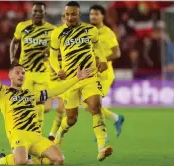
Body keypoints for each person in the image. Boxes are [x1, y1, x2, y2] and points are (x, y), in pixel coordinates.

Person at [0, 40, 92, 165]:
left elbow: (55, 90)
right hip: (19, 136)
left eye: (23, 73)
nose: (21, 75)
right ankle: (1, 160)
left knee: (59, 159)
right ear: (10, 75)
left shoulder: (32, 94)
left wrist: (76, 78)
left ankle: (30, 161)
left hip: (36, 136)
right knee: (21, 161)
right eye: (18, 73)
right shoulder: (3, 92)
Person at [49, 1, 112, 161]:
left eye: (73, 14)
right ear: (64, 15)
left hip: (90, 76)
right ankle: (58, 137)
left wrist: (103, 59)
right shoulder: (57, 33)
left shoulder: (90, 30)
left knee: (95, 107)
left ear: (79, 14)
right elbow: (53, 57)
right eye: (67, 14)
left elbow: (98, 48)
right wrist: (58, 70)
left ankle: (101, 148)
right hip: (71, 80)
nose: (69, 17)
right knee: (71, 118)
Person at [10, 2, 56, 134]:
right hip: (26, 73)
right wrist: (13, 59)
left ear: (44, 13)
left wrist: (50, 52)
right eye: (35, 11)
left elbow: (58, 50)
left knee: (41, 106)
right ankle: (26, 134)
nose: (37, 14)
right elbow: (14, 42)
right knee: (28, 106)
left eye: (40, 12)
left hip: (42, 73)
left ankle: (37, 137)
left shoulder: (52, 30)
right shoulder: (23, 26)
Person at [89, 5, 125, 140]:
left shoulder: (108, 33)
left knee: (93, 104)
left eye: (96, 14)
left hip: (104, 75)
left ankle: (102, 133)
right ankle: (116, 118)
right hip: (91, 74)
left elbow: (117, 53)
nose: (93, 16)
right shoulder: (88, 32)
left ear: (102, 16)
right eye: (92, 14)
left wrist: (101, 60)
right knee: (89, 105)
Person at [47, 13, 67, 142]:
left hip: (65, 77)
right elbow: (48, 53)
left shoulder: (76, 34)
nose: (67, 19)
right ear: (62, 19)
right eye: (64, 17)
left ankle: (52, 134)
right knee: (46, 108)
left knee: (60, 109)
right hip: (51, 76)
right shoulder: (55, 33)